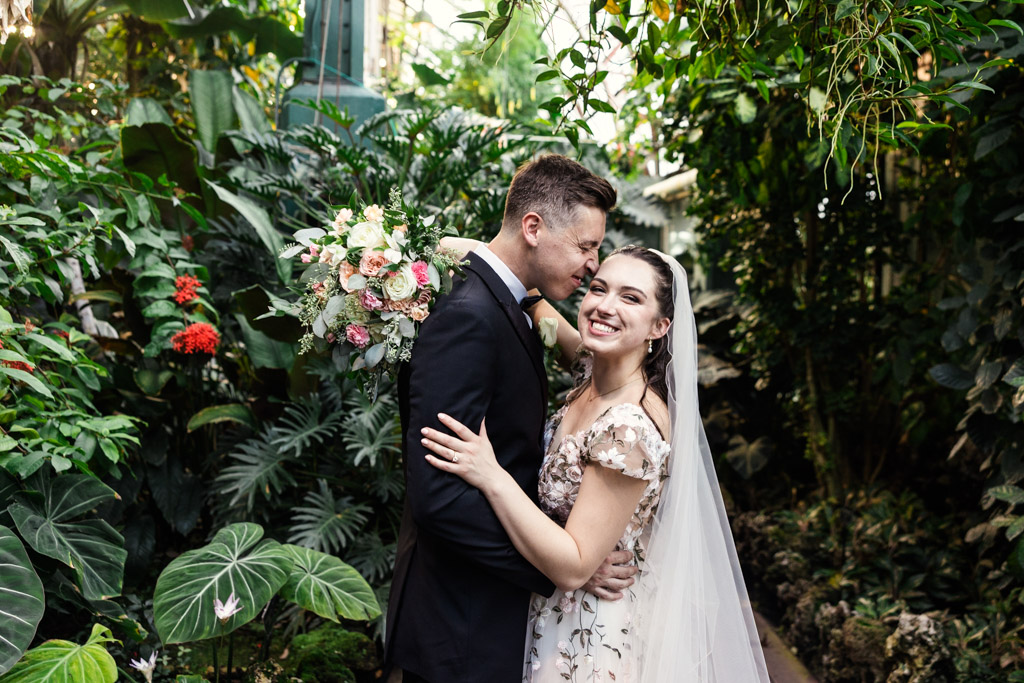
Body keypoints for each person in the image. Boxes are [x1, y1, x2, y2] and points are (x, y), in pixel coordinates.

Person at [420, 246, 771, 682]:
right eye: (599, 288)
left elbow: (574, 565)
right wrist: (431, 246)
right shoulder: (592, 370)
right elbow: (526, 287)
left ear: (660, 327)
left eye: (631, 298)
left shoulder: (629, 426)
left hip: (587, 637)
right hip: (545, 609)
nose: (605, 306)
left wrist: (492, 476)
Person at [384, 154, 626, 683]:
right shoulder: (470, 316)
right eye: (586, 245)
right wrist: (565, 568)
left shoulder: (503, 302)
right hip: (461, 625)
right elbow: (440, 500)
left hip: (485, 616)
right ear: (533, 227)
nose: (593, 264)